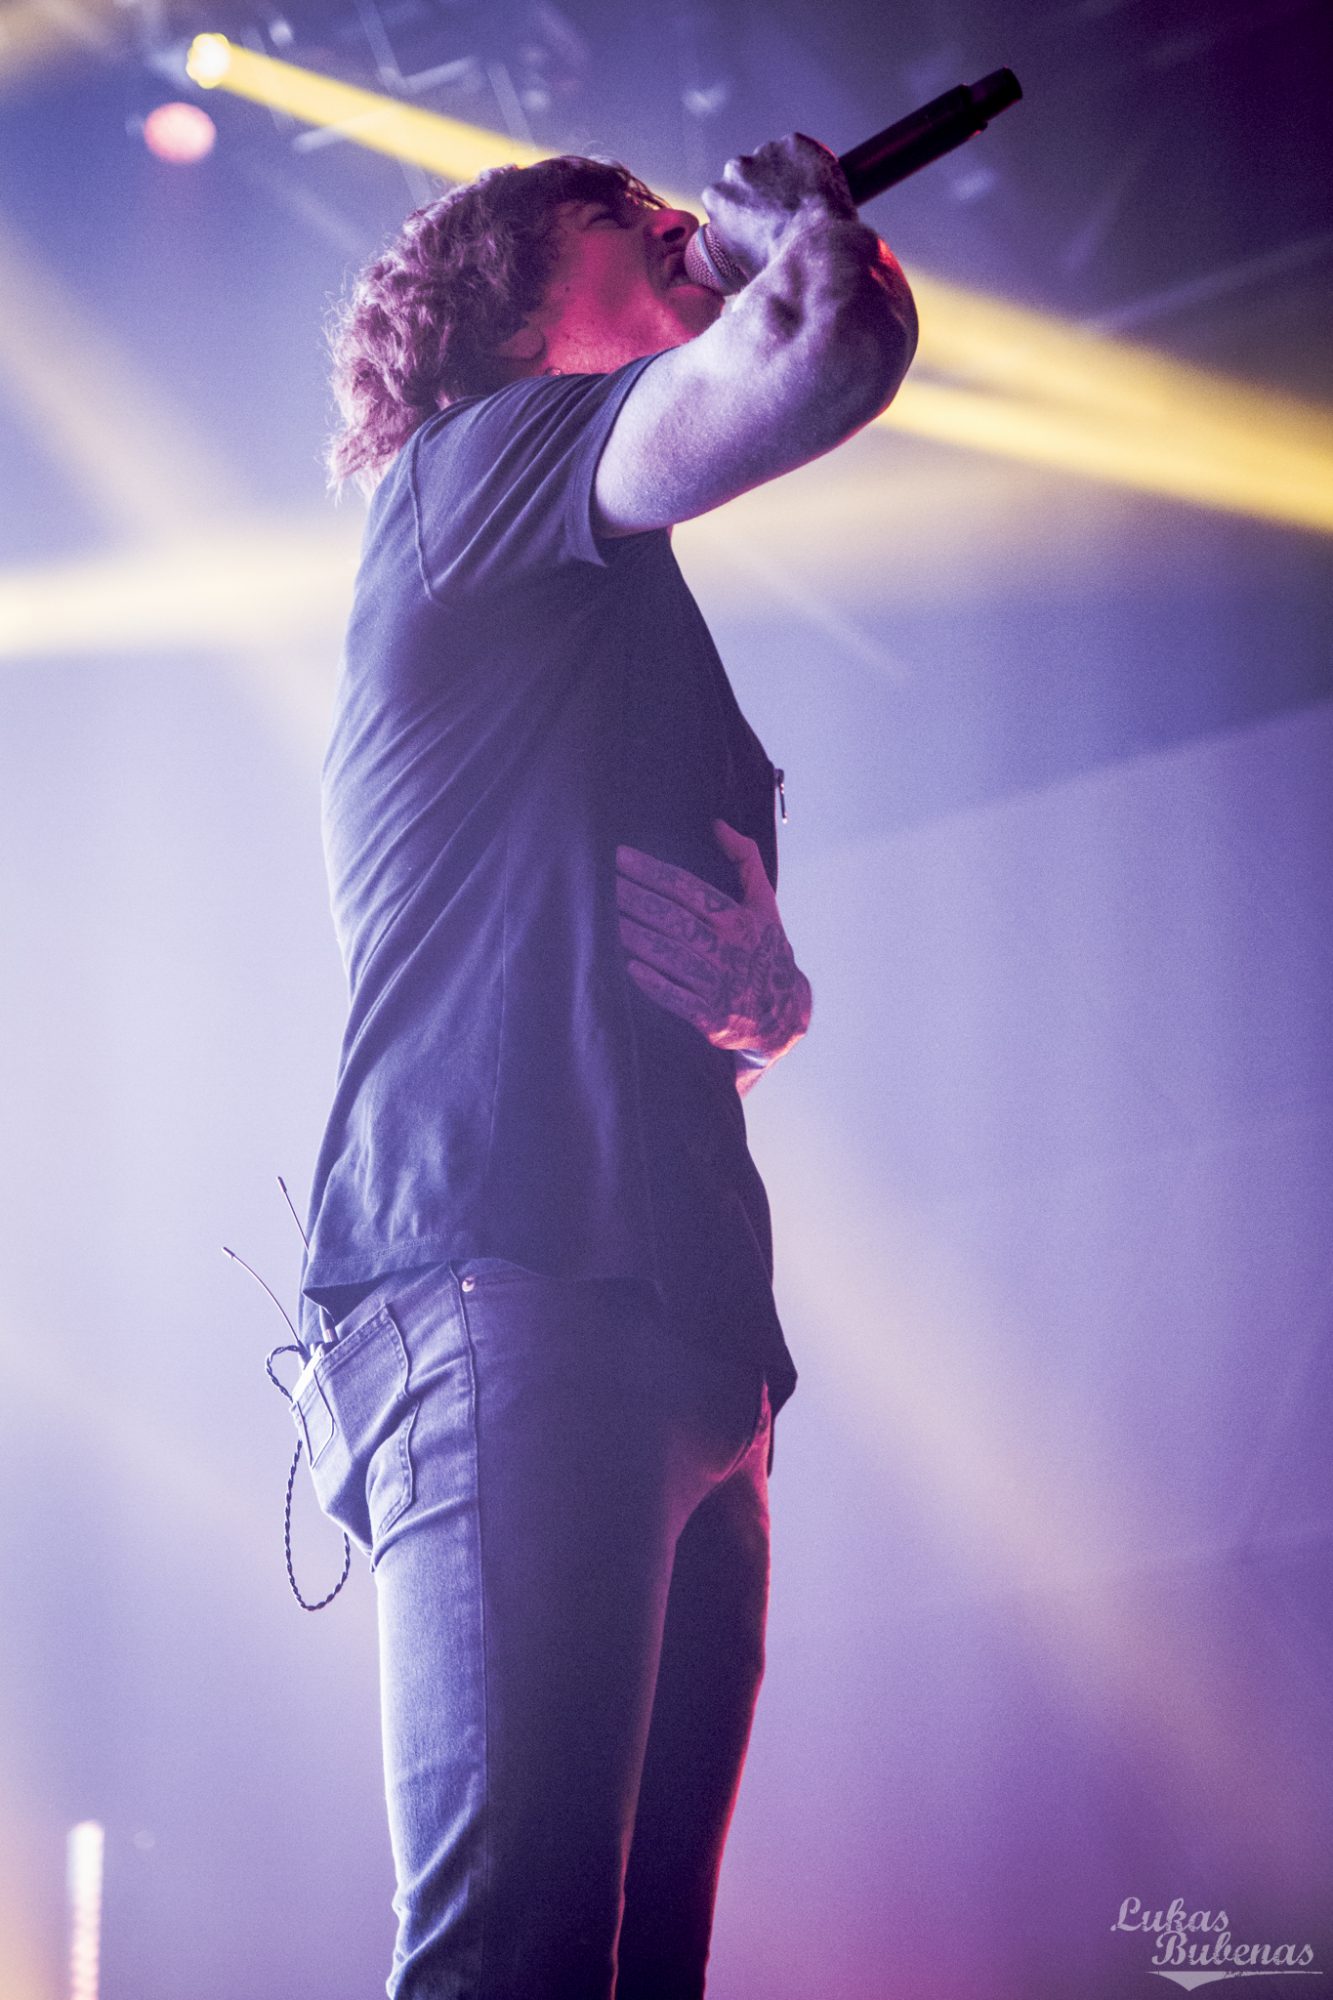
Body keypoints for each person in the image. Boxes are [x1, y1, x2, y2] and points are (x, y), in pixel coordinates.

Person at [294, 134, 916, 1999]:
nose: (670, 223)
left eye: (673, 210)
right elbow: (817, 349)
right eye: (620, 217)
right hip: (505, 1282)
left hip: (685, 1317)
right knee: (518, 1954)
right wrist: (785, 231)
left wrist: (767, 1002)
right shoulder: (474, 477)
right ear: (506, 301)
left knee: (636, 1971)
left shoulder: (628, 613)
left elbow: (688, 985)